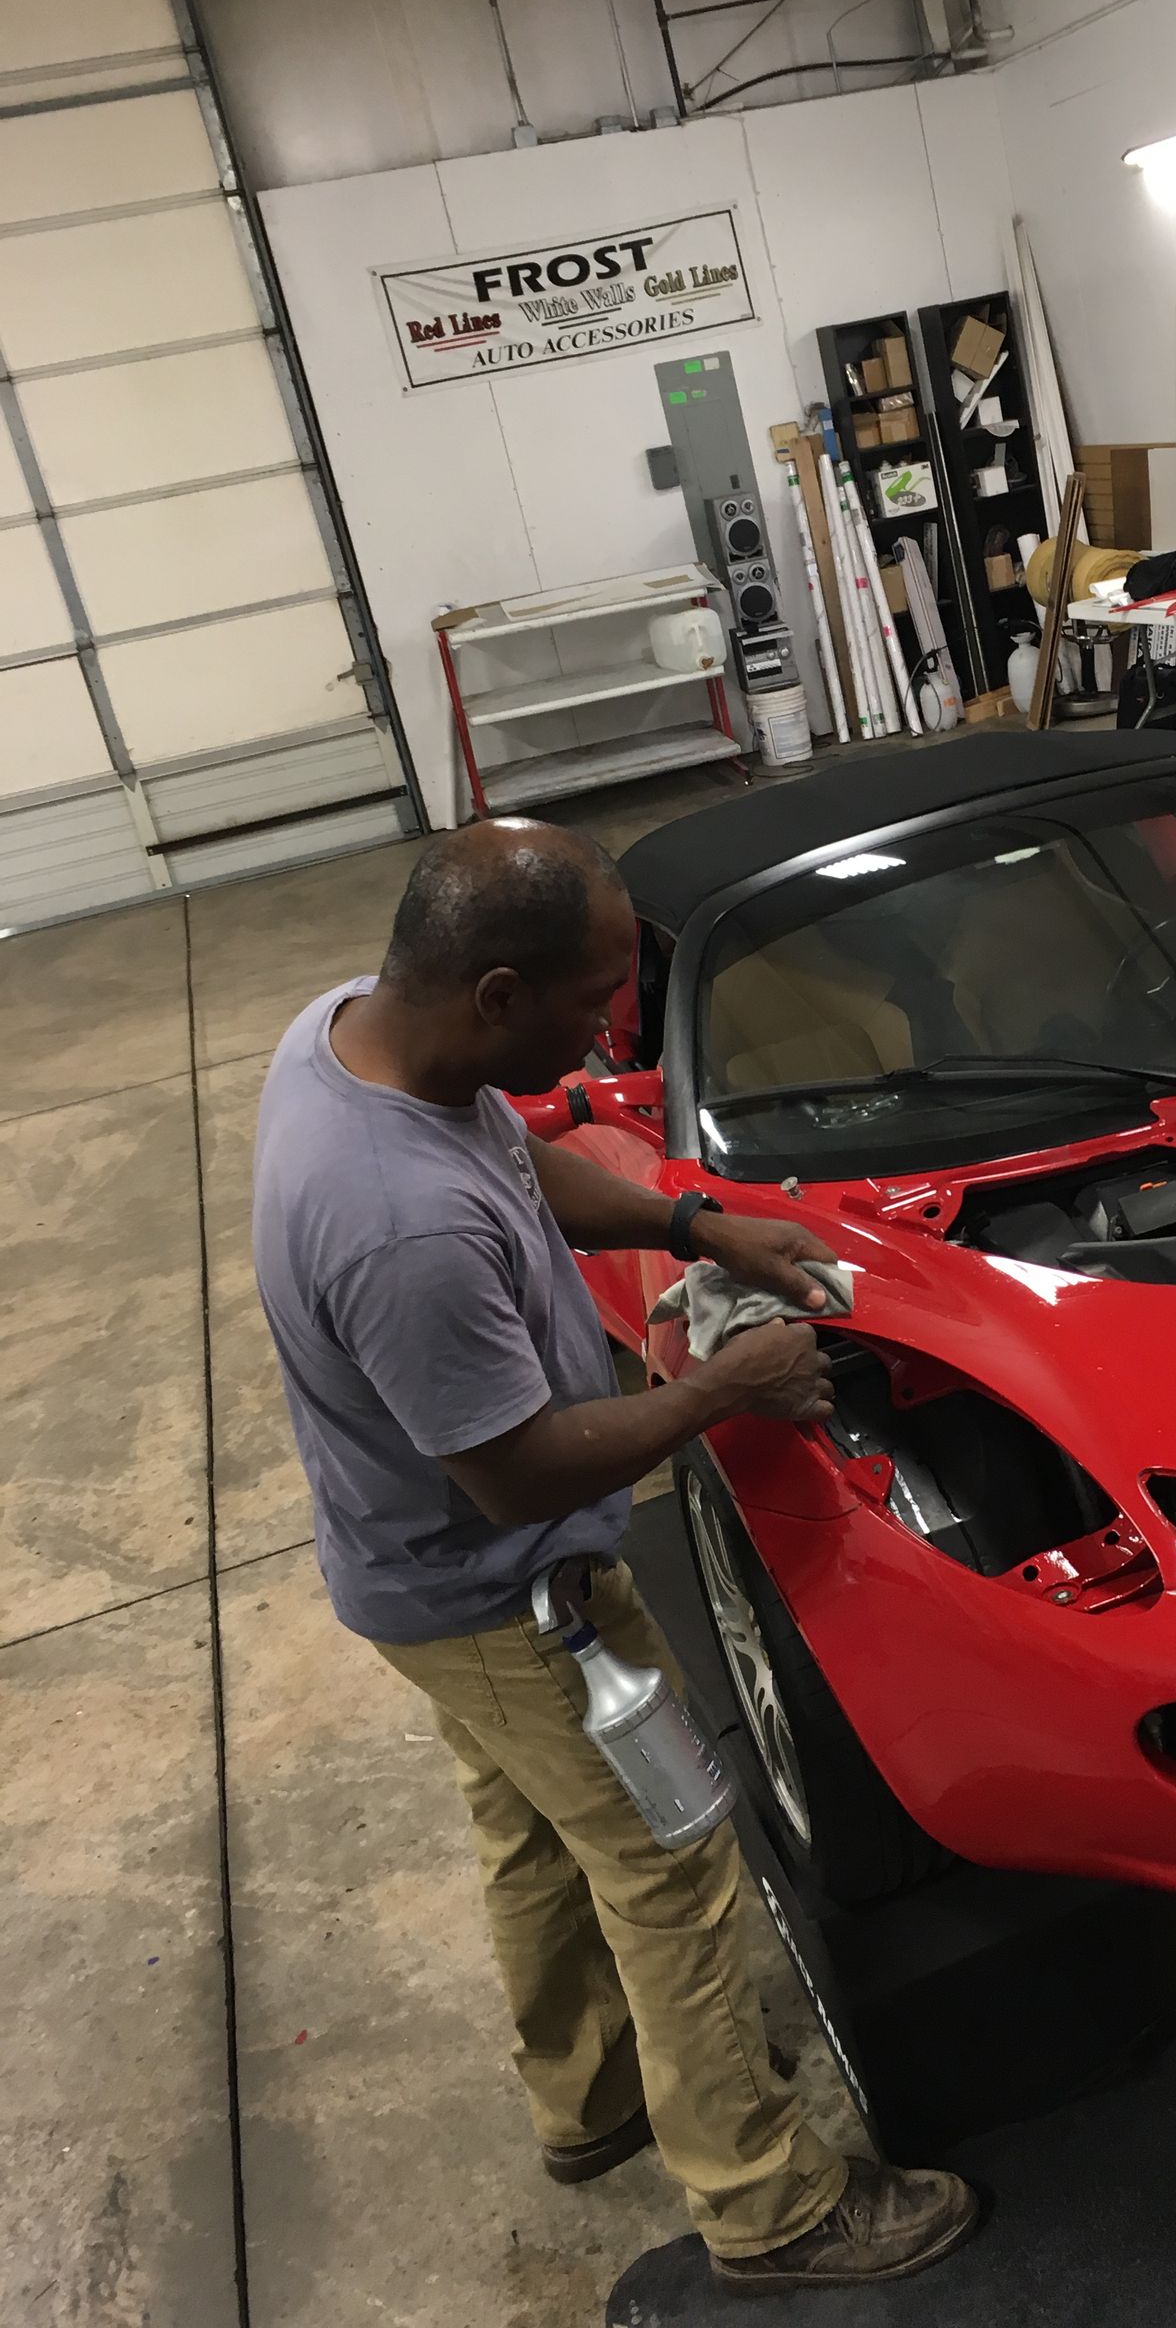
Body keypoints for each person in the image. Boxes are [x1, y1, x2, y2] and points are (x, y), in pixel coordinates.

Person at [251, 818, 978, 2295]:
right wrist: (721, 1391)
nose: (611, 1027)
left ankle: (588, 2102)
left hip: (414, 1578)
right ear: (497, 995)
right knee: (671, 1861)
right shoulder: (393, 1223)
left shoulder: (359, 1032)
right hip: (500, 1592)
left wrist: (691, 1222)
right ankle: (767, 2206)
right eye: (590, 1003)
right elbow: (512, 1472)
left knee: (533, 1832)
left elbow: (517, 1160)